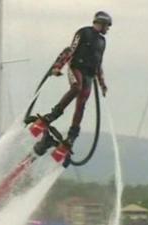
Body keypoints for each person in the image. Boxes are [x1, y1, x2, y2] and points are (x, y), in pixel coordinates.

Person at [33, 11, 112, 154]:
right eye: (107, 26)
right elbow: (71, 49)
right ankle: (52, 115)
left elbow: (99, 63)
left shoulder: (102, 41)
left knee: (81, 103)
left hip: (89, 74)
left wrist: (102, 84)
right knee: (76, 87)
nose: (108, 29)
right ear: (101, 23)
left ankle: (71, 136)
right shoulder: (84, 32)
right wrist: (58, 67)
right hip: (76, 67)